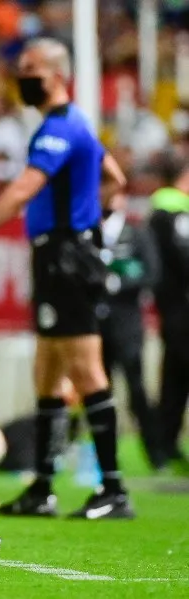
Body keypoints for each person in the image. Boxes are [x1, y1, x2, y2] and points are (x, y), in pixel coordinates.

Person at [0, 38, 133, 519]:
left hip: (64, 255)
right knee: (47, 371)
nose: (23, 76)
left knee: (85, 370)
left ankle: (114, 491)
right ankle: (43, 486)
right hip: (62, 254)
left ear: (58, 74)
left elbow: (24, 189)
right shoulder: (75, 126)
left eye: (30, 68)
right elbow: (116, 178)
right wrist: (95, 215)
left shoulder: (58, 128)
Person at [98, 197, 165, 471]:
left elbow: (152, 273)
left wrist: (119, 283)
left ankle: (155, 453)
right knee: (98, 393)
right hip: (95, 325)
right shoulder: (87, 233)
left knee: (137, 391)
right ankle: (101, 457)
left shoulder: (136, 233)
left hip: (127, 324)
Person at [147, 156, 189, 469]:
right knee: (176, 375)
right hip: (180, 308)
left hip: (172, 308)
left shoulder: (160, 211)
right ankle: (165, 444)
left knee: (174, 377)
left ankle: (166, 444)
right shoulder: (173, 211)